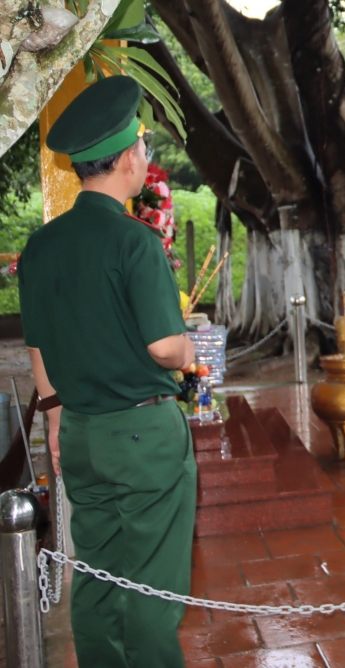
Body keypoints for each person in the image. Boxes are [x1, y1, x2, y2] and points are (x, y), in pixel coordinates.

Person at [17, 75, 197, 667]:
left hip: (82, 432)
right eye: (144, 144)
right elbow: (164, 347)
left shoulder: (41, 246)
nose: (147, 155)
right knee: (152, 586)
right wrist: (190, 351)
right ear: (126, 159)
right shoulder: (134, 242)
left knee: (96, 574)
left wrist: (53, 423)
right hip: (143, 437)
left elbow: (38, 346)